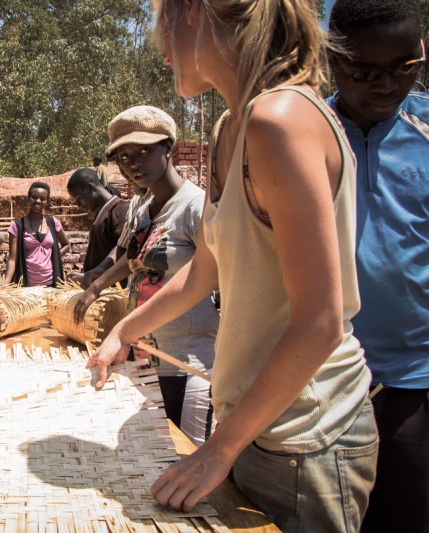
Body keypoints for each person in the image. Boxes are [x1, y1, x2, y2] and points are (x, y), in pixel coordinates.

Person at [88, 0, 377, 530]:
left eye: (160, 26)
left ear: (192, 11)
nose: (161, 48)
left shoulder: (280, 120)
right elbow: (206, 269)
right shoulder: (232, 127)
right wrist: (125, 331)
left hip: (307, 437)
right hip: (256, 426)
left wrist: (217, 450)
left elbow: (319, 322)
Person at [327, 1, 429, 530]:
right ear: (332, 61)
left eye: (404, 69)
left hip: (416, 380)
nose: (386, 86)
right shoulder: (304, 136)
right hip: (330, 382)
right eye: (363, 72)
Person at [87, 106, 220, 447]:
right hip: (146, 363)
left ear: (168, 149)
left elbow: (210, 273)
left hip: (190, 365)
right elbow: (132, 259)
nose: (133, 163)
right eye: (124, 156)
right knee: (157, 458)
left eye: (145, 151)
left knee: (189, 459)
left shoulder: (196, 207)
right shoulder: (143, 209)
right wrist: (98, 283)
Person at [66, 168, 130, 289]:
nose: (78, 205)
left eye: (78, 198)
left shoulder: (120, 209)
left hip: (113, 293)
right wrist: (86, 275)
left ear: (90, 188)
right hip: (99, 290)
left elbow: (124, 250)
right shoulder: (102, 213)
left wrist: (98, 272)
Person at [4, 182, 71, 287]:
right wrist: (4, 286)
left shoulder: (52, 222)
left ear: (48, 201)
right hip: (26, 286)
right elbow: (12, 259)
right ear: (28, 198)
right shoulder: (17, 226)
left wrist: (54, 257)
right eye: (34, 197)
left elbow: (67, 244)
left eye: (43, 198)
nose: (38, 201)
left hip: (51, 284)